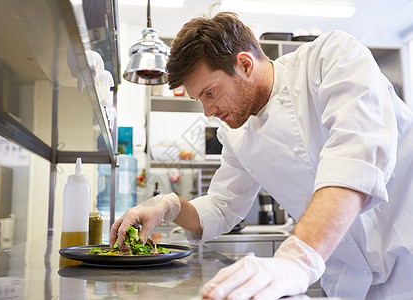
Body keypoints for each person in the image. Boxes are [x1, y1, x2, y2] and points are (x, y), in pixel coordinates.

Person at [111, 12, 413, 299]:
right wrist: (168, 206)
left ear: (244, 64)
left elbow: (355, 159)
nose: (207, 112)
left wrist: (296, 260)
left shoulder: (331, 58)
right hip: (347, 281)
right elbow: (221, 207)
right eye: (199, 99)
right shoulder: (235, 133)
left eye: (210, 93)